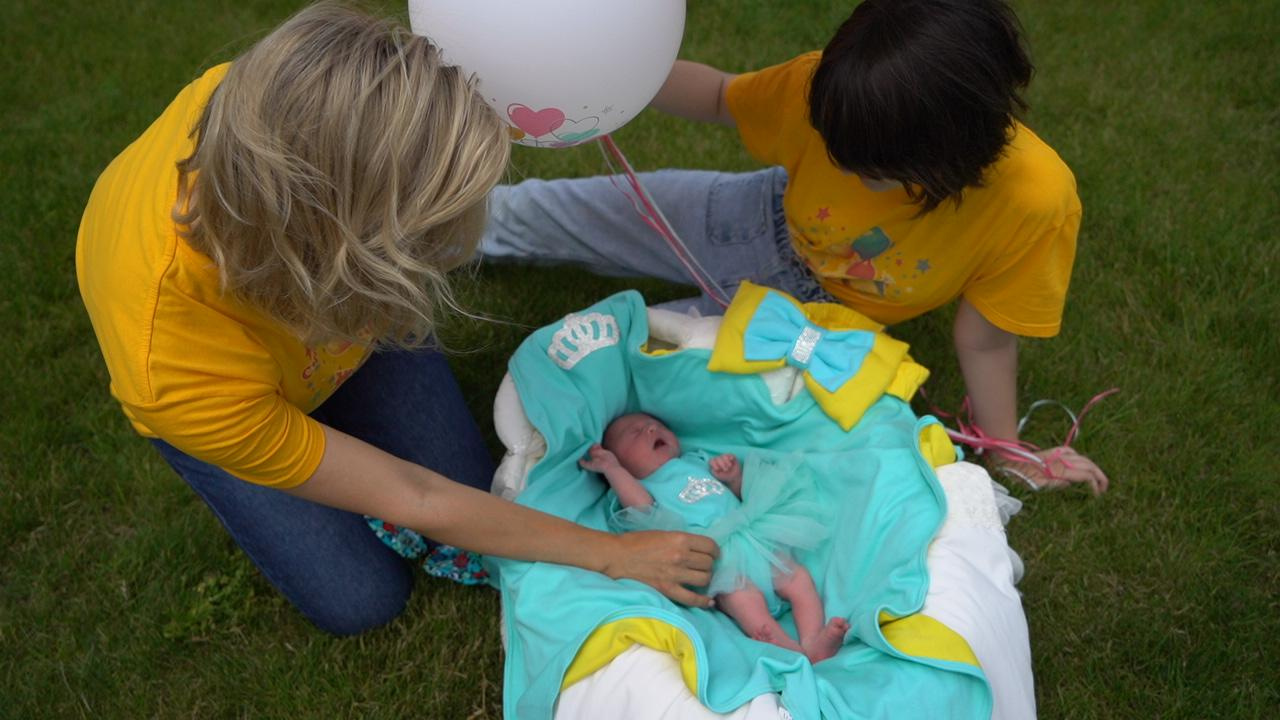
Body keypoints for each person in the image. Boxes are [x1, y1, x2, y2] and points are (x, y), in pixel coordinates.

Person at [75, 1, 718, 637]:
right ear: (345, 240)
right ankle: (248, 440)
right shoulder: (173, 368)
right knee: (362, 600)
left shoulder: (291, 99)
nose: (442, 248)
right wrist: (615, 553)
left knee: (476, 492)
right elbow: (416, 497)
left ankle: (312, 396)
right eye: (418, 231)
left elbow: (438, 494)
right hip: (231, 381)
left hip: (319, 298)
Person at [481, 0, 1109, 494]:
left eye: (869, 169)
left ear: (948, 156)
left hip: (810, 327)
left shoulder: (1036, 201)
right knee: (541, 214)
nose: (847, 167)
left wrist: (1007, 452)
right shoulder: (831, 91)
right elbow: (723, 97)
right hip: (749, 219)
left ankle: (553, 459)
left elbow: (985, 339)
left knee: (627, 362)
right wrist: (609, 80)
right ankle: (421, 219)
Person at [581, 413, 849, 663]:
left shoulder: (695, 460)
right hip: (716, 556)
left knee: (798, 578)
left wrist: (732, 478)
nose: (652, 428)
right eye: (635, 432)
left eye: (656, 425)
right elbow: (643, 510)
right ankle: (788, 649)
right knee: (741, 597)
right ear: (623, 462)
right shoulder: (642, 487)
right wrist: (613, 470)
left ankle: (813, 640)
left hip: (752, 536)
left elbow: (733, 496)